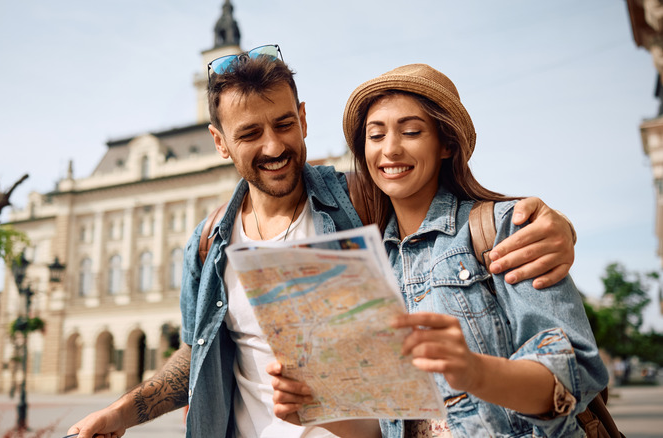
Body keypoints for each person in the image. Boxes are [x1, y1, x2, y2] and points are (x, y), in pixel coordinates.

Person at [68, 47, 578, 438]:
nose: (273, 145)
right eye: (249, 134)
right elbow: (198, 353)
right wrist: (122, 412)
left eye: (284, 124)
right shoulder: (208, 242)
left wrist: (556, 227)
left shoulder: (361, 200)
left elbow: (441, 211)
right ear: (220, 142)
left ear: (304, 119)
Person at [269, 63, 608, 437]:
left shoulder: (505, 228)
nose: (390, 149)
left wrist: (474, 371)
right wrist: (315, 409)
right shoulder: (373, 265)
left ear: (447, 144)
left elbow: (577, 373)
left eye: (411, 131)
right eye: (375, 135)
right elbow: (390, 425)